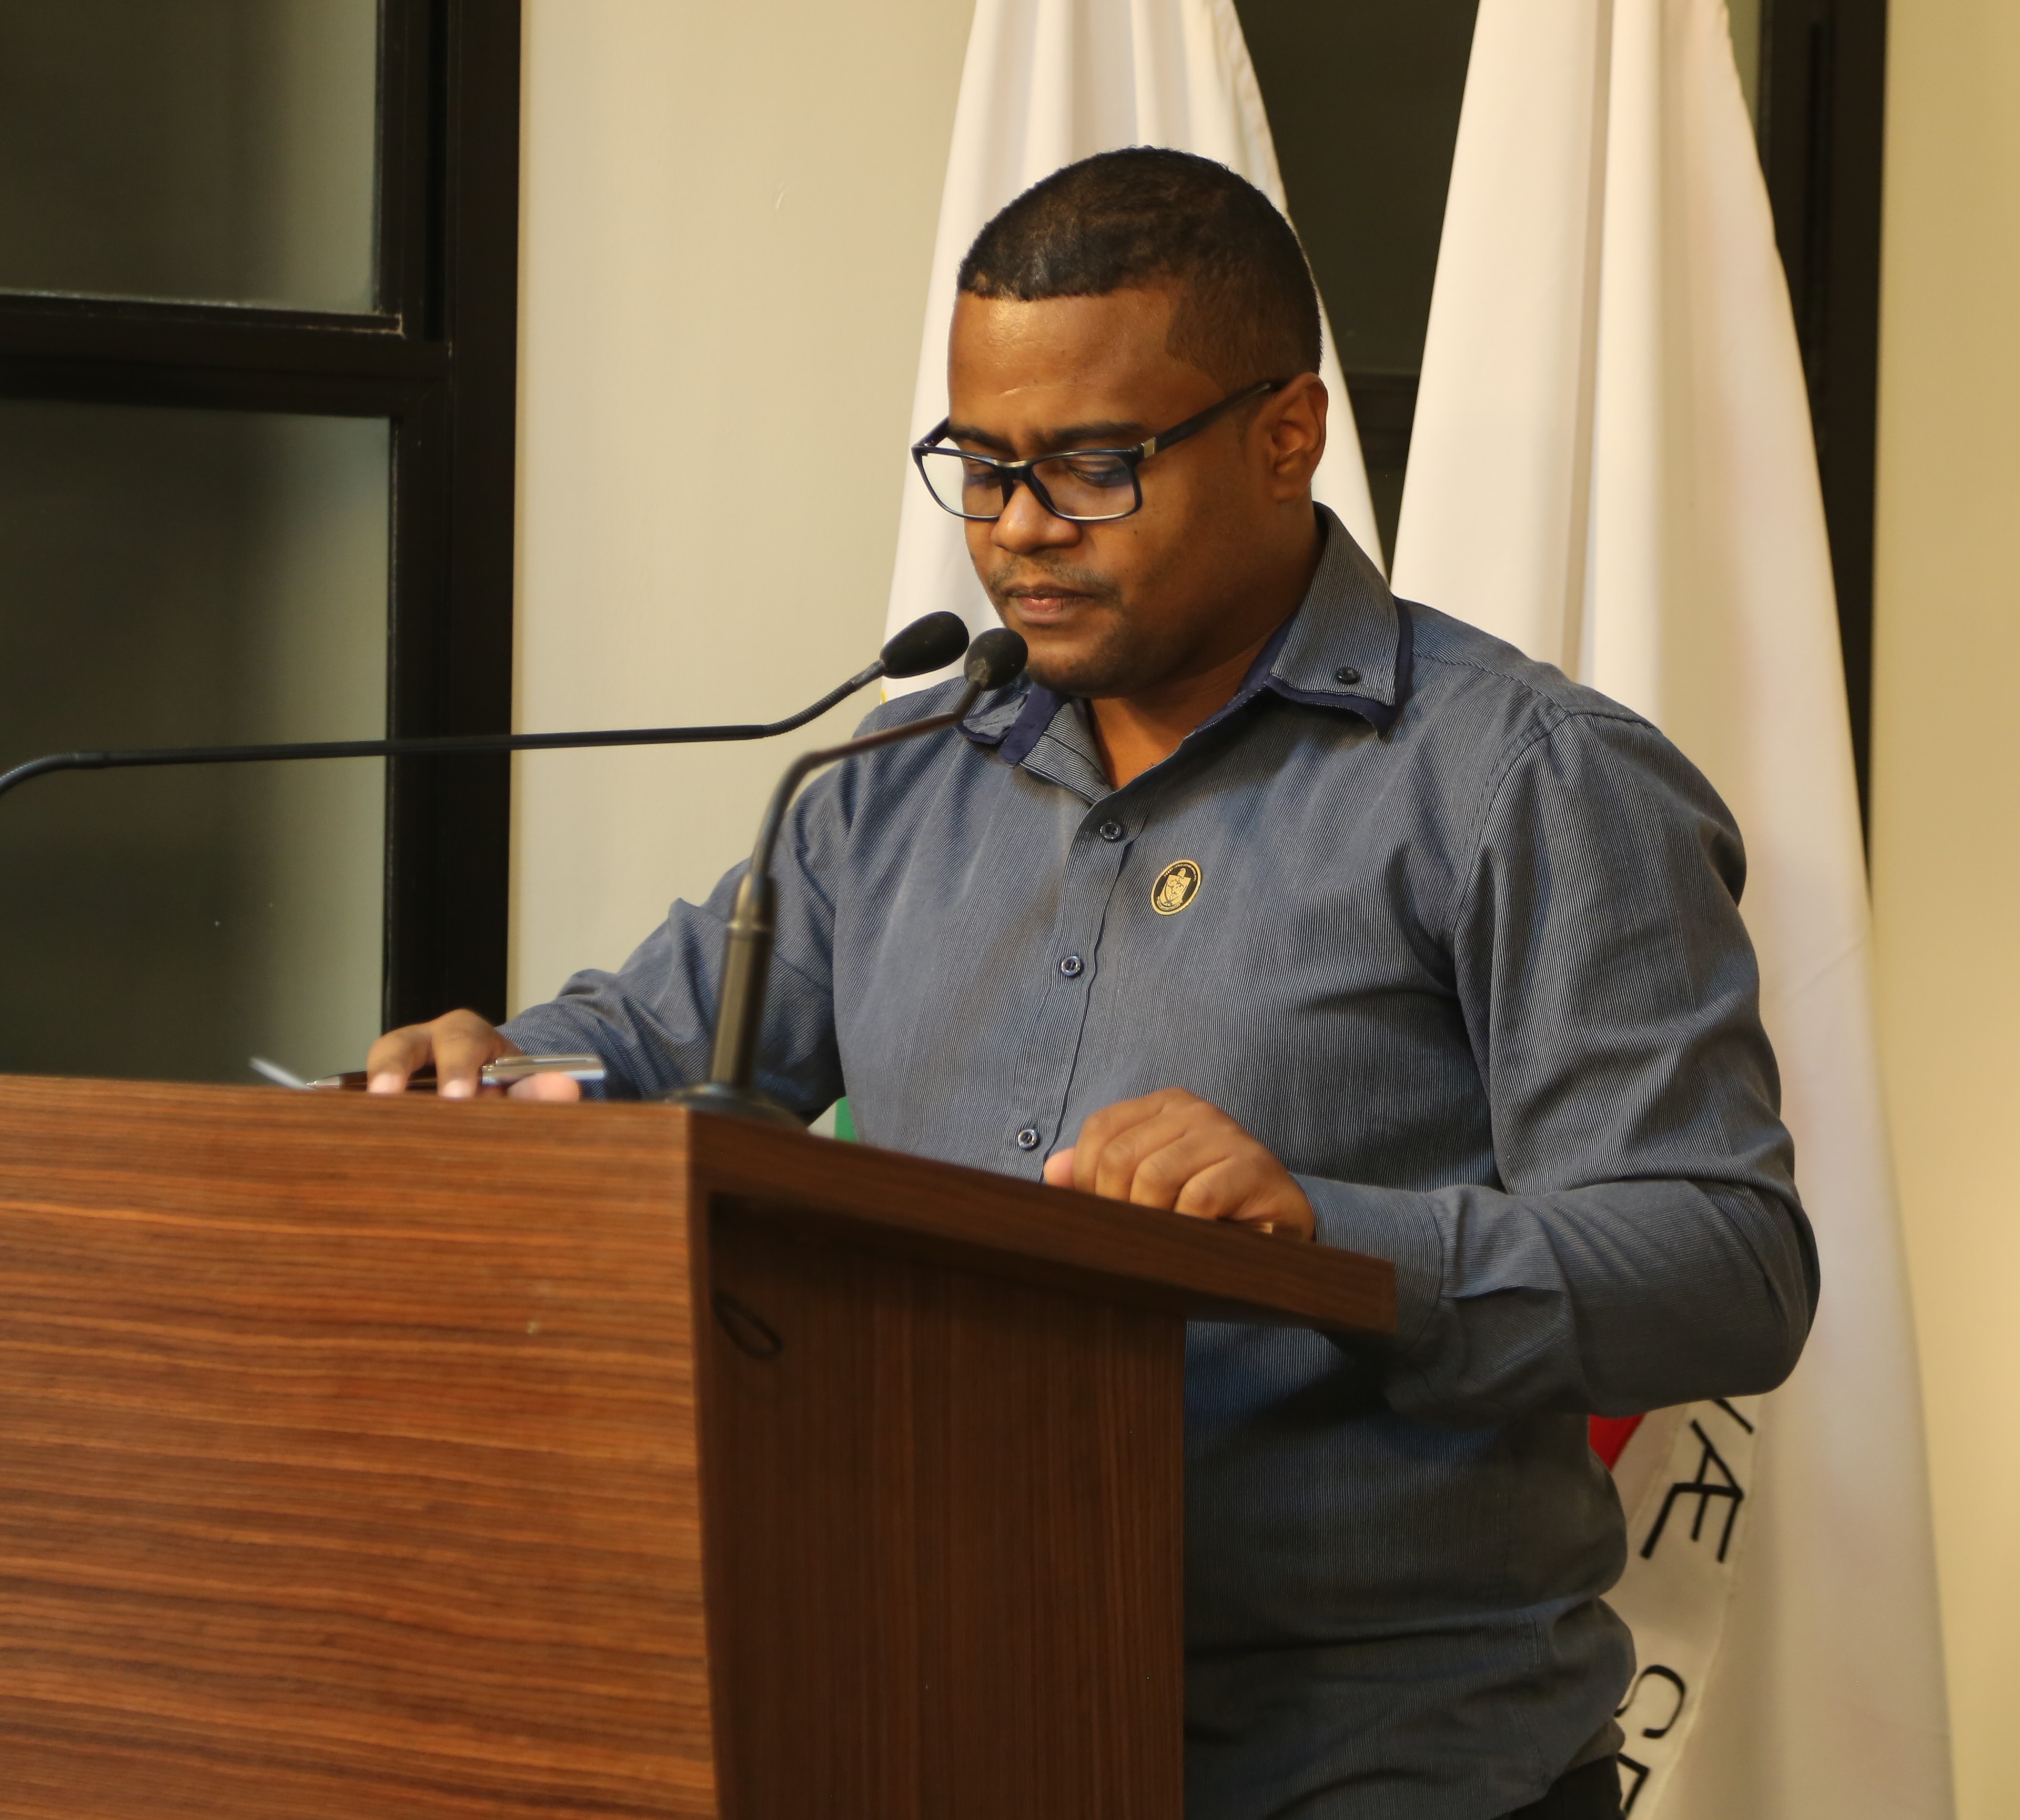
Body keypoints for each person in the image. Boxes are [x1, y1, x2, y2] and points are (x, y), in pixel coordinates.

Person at [367, 148, 1816, 1819]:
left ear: (1288, 435)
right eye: (982, 467)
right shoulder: (896, 777)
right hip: (940, 1726)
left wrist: (1328, 1236)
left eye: (1092, 467)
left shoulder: (1526, 781)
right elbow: (641, 1047)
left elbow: (1726, 1266)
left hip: (1377, 1774)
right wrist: (492, 1078)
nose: (1019, 528)